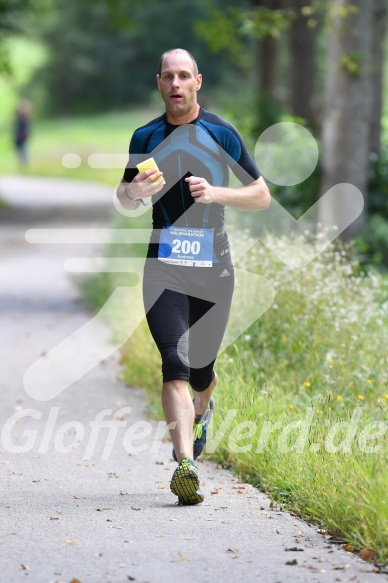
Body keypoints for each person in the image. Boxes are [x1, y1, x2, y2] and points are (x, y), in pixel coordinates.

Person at [117, 48, 270, 505]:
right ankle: (185, 465)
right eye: (169, 76)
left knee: (201, 371)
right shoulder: (145, 135)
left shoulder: (220, 132)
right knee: (174, 362)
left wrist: (216, 192)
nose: (176, 84)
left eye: (185, 76)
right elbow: (124, 198)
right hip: (163, 268)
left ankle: (203, 410)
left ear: (198, 81)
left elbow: (261, 195)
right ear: (159, 82)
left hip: (214, 271)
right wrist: (132, 192)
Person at [13, 99, 32, 166]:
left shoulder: (26, 117)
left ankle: (25, 164)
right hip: (18, 138)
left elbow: (27, 128)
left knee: (24, 151)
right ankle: (23, 165)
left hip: (23, 137)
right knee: (21, 151)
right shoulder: (18, 117)